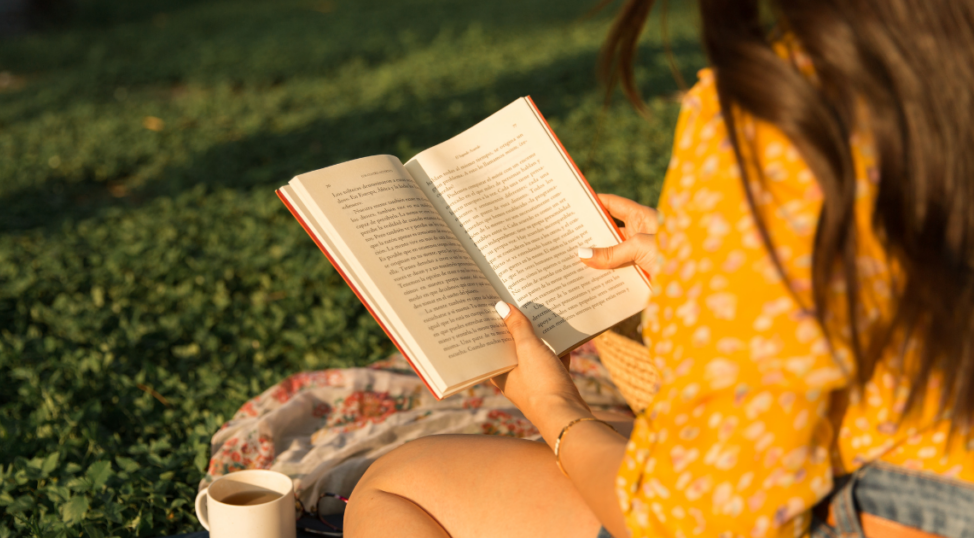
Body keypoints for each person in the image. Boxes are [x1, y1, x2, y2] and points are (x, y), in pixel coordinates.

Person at [344, 0, 974, 536]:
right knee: (624, 437)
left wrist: (557, 409)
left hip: (888, 506)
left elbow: (694, 519)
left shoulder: (780, 115)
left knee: (401, 484)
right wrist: (716, 267)